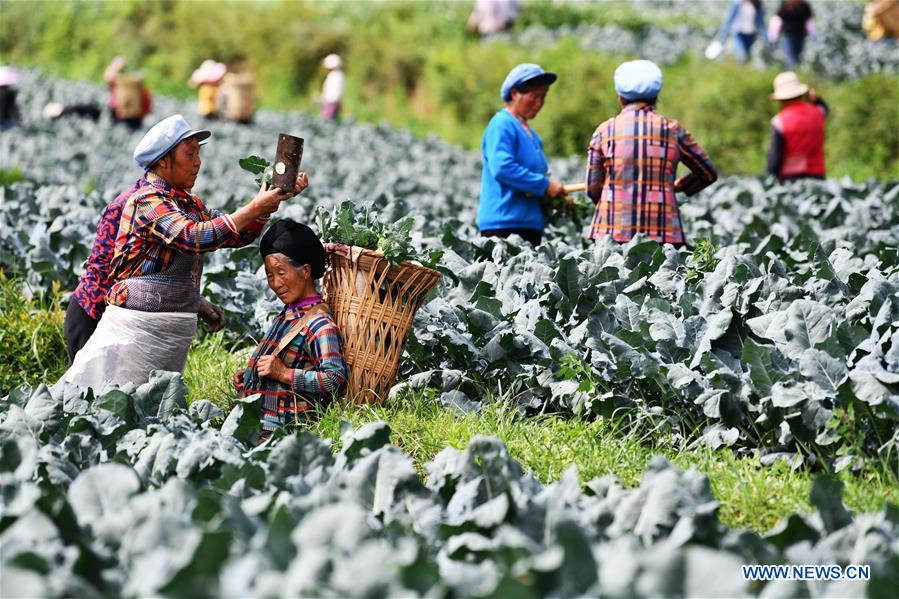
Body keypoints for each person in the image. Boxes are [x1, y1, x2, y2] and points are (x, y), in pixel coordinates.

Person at [56, 114, 309, 391]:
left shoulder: (185, 203)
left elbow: (236, 235)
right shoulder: (146, 200)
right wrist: (254, 208)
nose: (198, 162)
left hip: (146, 312)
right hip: (95, 309)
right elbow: (192, 237)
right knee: (93, 398)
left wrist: (271, 201)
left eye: (198, 154)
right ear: (163, 161)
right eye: (190, 154)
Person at [232, 220, 348, 439]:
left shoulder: (320, 325)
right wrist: (250, 376)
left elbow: (336, 380)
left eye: (281, 273)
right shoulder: (285, 317)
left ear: (305, 270)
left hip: (285, 436)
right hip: (258, 429)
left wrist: (284, 374)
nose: (275, 283)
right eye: (269, 275)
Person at [586, 60, 717, 248]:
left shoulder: (605, 131)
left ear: (620, 98)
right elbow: (708, 173)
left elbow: (592, 188)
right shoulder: (673, 130)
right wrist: (679, 186)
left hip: (612, 232)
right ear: (656, 97)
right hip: (662, 232)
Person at [477, 63, 568, 246]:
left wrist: (556, 194)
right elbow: (503, 168)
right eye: (534, 96)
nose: (539, 103)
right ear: (514, 94)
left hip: (528, 224)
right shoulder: (502, 124)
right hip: (504, 224)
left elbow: (540, 174)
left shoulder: (531, 134)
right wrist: (544, 185)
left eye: (543, 97)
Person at [766, 71, 828, 182]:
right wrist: (816, 99)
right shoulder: (818, 113)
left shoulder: (779, 121)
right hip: (817, 176)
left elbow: (775, 160)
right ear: (801, 94)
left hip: (790, 179)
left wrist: (770, 178)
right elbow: (825, 109)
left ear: (781, 99)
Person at [104, 56, 153, 129]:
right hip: (117, 106)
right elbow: (108, 78)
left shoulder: (126, 77)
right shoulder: (113, 74)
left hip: (132, 111)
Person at [769, 0, 816, 69]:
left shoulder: (804, 6)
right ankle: (790, 75)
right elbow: (777, 20)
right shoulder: (785, 4)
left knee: (798, 58)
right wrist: (773, 35)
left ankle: (794, 74)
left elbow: (809, 21)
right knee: (790, 59)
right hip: (787, 36)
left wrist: (814, 34)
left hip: (800, 36)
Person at [320, 54, 344, 121]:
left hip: (331, 102)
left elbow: (335, 92)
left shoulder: (336, 75)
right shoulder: (336, 75)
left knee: (327, 120)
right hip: (331, 101)